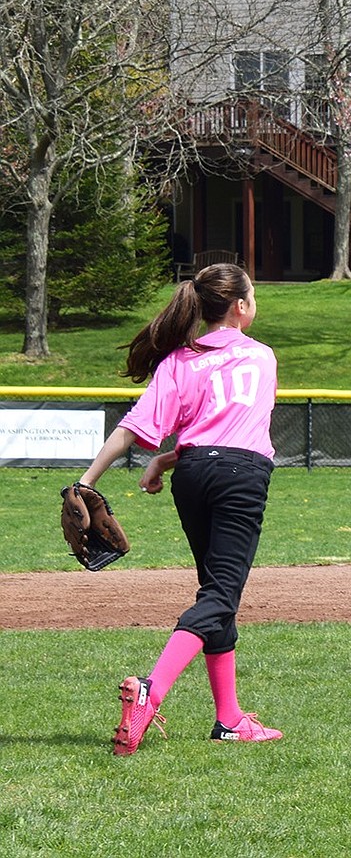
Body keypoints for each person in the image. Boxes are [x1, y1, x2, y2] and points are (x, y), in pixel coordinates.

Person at [78, 263, 283, 755]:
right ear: (240, 306)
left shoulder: (178, 361)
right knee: (219, 595)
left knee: (216, 591)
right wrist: (167, 460)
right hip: (240, 478)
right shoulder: (261, 357)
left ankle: (229, 719)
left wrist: (89, 481)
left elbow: (139, 426)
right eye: (252, 295)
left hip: (193, 478)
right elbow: (235, 434)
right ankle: (149, 693)